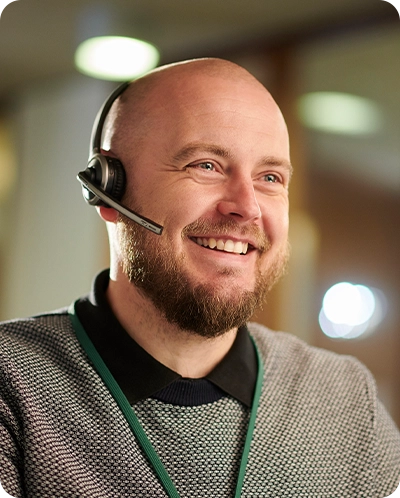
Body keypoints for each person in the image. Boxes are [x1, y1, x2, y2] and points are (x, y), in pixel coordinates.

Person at [0, 58, 399, 498]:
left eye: (270, 178)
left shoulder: (344, 397)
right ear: (108, 188)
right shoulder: (12, 382)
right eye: (206, 165)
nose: (246, 207)